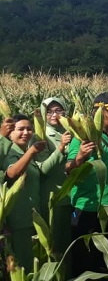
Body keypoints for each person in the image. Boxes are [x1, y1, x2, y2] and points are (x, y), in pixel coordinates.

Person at [65, 92, 108, 277]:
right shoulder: (82, 137)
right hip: (88, 204)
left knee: (107, 256)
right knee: (85, 256)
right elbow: (68, 168)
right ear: (97, 113)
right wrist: (80, 157)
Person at [2, 114, 63, 270]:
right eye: (20, 129)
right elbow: (12, 174)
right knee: (24, 265)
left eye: (29, 129)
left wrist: (60, 149)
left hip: (32, 217)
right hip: (18, 220)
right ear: (10, 133)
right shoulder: (10, 154)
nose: (26, 133)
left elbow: (41, 173)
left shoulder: (26, 153)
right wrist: (31, 152)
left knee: (33, 263)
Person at [37, 98, 73, 263]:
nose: (54, 114)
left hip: (69, 196)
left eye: (58, 110)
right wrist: (61, 148)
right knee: (56, 246)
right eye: (50, 111)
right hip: (53, 197)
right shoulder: (41, 134)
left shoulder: (68, 130)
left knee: (67, 245)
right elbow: (43, 169)